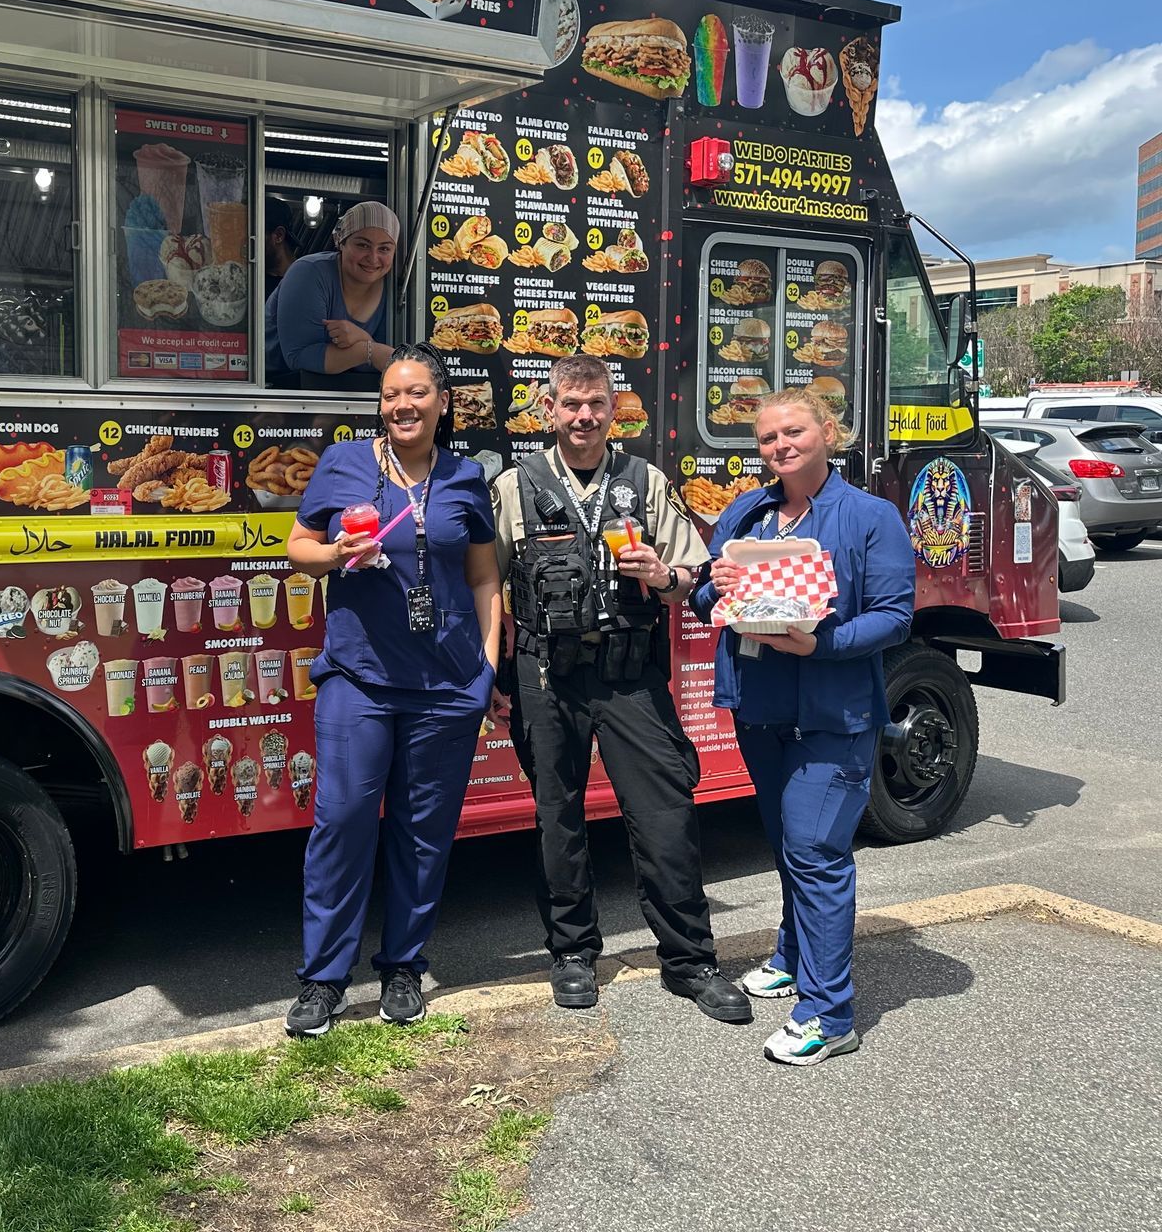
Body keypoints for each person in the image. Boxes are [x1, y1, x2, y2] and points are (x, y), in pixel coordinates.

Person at [494, 355, 750, 1023]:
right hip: (545, 671)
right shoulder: (514, 487)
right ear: (547, 410)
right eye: (570, 404)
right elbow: (488, 588)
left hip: (631, 671)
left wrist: (662, 575)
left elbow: (693, 579)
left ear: (615, 410)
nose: (583, 416)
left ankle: (690, 960)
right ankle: (572, 952)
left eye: (595, 405)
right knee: (559, 816)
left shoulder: (646, 482)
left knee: (666, 814)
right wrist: (493, 678)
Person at [283, 343, 502, 1036]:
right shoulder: (344, 462)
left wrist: (487, 667)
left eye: (415, 393)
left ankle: (403, 966)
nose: (401, 405)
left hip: (446, 685)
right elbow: (297, 548)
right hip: (359, 676)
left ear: (443, 402)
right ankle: (323, 979)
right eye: (389, 394)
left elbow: (485, 579)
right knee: (343, 820)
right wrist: (334, 555)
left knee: (423, 833)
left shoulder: (467, 478)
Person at [691, 387, 914, 1065]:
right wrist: (717, 582)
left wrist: (824, 645)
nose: (781, 447)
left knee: (817, 852)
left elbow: (895, 615)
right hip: (759, 709)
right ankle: (791, 956)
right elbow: (705, 595)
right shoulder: (748, 510)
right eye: (767, 439)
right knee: (787, 841)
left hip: (834, 714)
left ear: (828, 433)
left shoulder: (871, 517)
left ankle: (828, 1013)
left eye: (794, 432)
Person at [264, 201, 398, 391]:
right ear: (341, 242)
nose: (373, 258)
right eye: (362, 245)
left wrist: (363, 340)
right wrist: (369, 351)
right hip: (275, 395)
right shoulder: (308, 272)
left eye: (384, 248)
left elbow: (392, 365)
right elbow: (298, 357)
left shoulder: (396, 289)